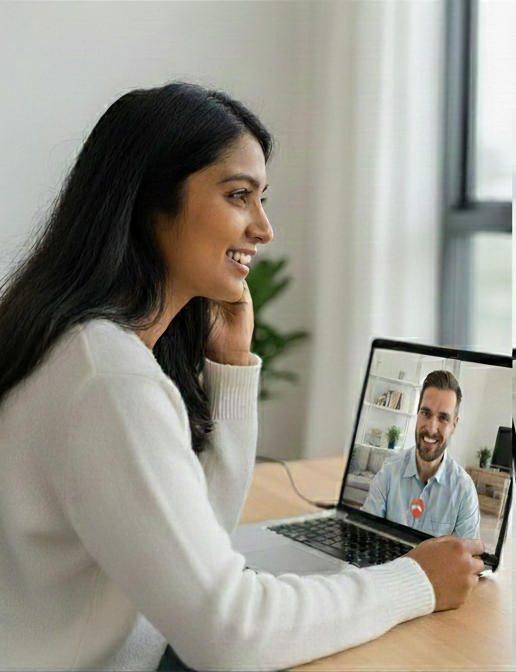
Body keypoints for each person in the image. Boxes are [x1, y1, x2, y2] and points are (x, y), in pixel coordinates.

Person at [0, 83, 484, 671]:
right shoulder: (109, 381)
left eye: (261, 199)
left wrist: (231, 366)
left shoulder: (70, 341)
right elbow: (231, 633)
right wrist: (414, 582)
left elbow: (195, 547)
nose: (264, 228)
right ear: (151, 202)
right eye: (238, 196)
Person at [362, 370, 481, 539]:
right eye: (426, 413)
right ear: (417, 414)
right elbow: (365, 534)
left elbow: (467, 553)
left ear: (454, 425)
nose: (431, 429)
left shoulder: (464, 491)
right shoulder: (389, 471)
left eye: (443, 418)